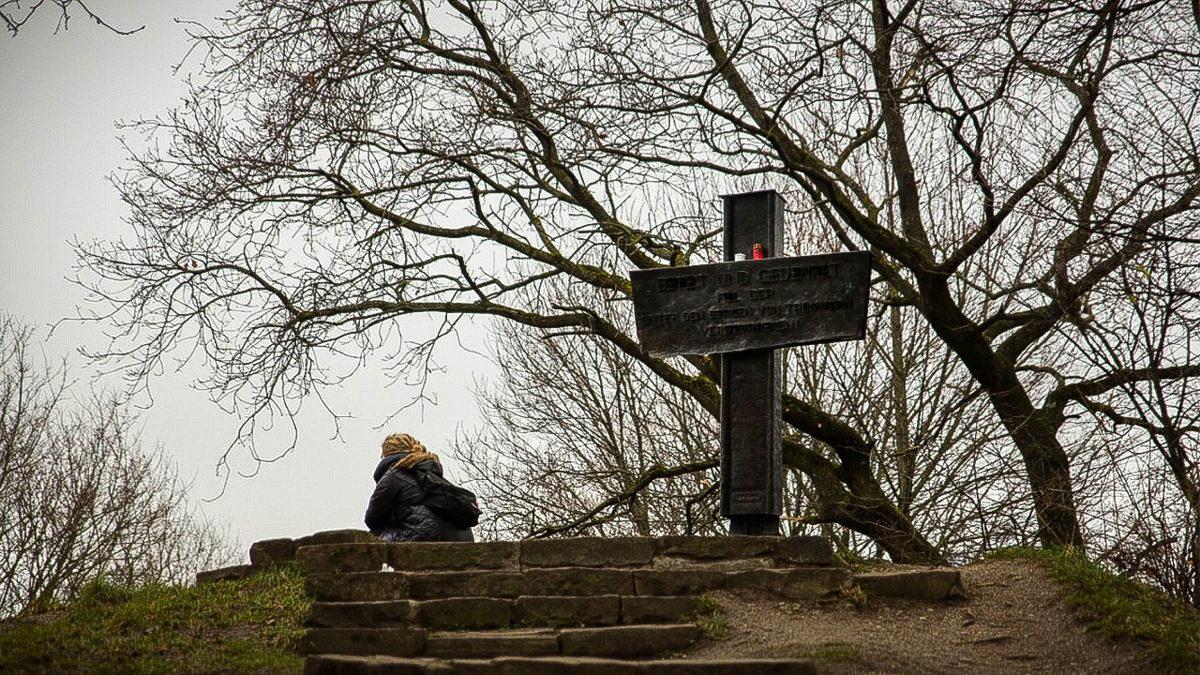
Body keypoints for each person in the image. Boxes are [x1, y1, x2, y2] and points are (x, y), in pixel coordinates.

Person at [364, 433, 475, 542]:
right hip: (462, 538)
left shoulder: (393, 476)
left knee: (372, 541)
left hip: (427, 534)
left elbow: (373, 519)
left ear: (386, 455)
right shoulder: (432, 475)